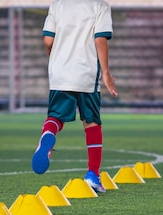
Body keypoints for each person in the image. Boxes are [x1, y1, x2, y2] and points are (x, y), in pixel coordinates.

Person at [31, 0, 118, 193]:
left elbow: (48, 41)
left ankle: (48, 134)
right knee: (91, 122)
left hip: (59, 72)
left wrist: (55, 59)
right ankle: (93, 175)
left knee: (55, 116)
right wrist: (106, 72)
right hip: (86, 73)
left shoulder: (57, 5)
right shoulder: (99, 6)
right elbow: (100, 39)